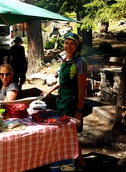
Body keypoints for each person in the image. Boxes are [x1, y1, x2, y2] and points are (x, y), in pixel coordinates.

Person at [40, 32, 87, 171]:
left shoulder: (80, 63)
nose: (68, 46)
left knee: (69, 133)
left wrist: (79, 111)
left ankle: (79, 162)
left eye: (72, 44)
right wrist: (50, 90)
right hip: (62, 99)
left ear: (77, 46)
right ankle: (73, 161)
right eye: (66, 43)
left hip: (72, 102)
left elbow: (81, 90)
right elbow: (63, 81)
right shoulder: (65, 59)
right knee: (66, 133)